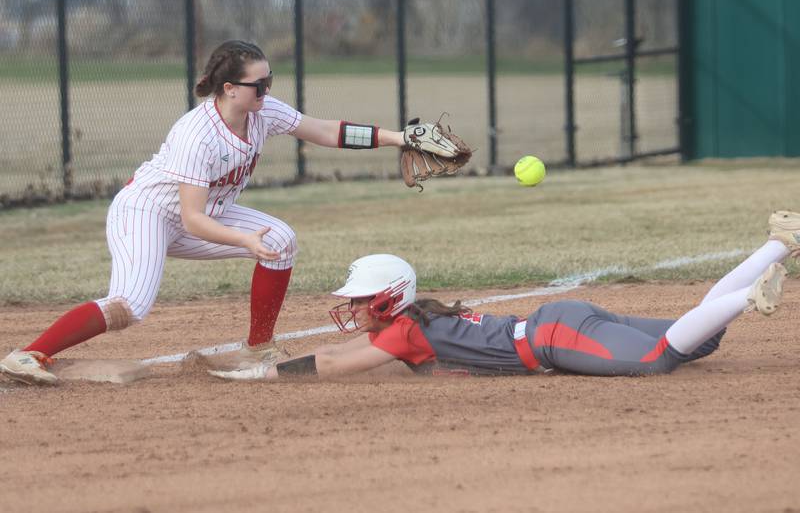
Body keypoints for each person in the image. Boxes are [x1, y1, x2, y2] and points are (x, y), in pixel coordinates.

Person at [0, 39, 416, 386]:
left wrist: (398, 138)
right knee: (129, 305)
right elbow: (193, 219)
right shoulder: (197, 136)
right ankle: (28, 355)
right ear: (230, 88)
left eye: (269, 81)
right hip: (147, 213)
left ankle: (257, 347)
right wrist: (243, 239)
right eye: (259, 84)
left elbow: (326, 130)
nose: (267, 91)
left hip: (201, 214)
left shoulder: (262, 112)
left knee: (281, 240)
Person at [209, 211, 800, 381]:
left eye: (364, 299)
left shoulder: (405, 329)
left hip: (554, 337)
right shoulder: (415, 322)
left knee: (662, 358)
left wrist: (262, 374)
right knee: (698, 337)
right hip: (562, 322)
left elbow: (336, 362)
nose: (356, 308)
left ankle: (754, 292)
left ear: (390, 299)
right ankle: (779, 244)